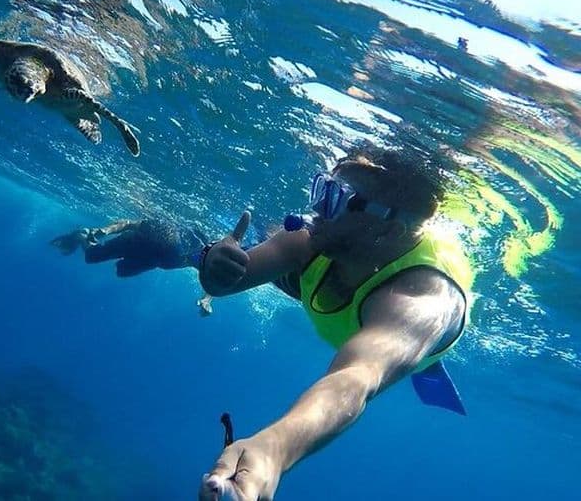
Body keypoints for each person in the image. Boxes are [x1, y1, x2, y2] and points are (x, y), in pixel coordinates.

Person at [197, 146, 473, 501]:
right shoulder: (309, 240)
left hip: (404, 330)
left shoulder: (421, 300)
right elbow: (226, 282)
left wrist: (274, 450)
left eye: (335, 198)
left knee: (408, 357)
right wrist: (215, 269)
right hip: (344, 291)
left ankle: (426, 367)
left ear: (389, 227)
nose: (316, 209)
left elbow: (357, 377)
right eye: (320, 188)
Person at [51, 218, 215, 314]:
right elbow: (129, 223)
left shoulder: (198, 255)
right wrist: (105, 231)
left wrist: (206, 300)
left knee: (121, 272)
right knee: (91, 257)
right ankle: (82, 236)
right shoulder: (167, 232)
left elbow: (211, 281)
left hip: (151, 259)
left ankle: (84, 239)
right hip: (133, 245)